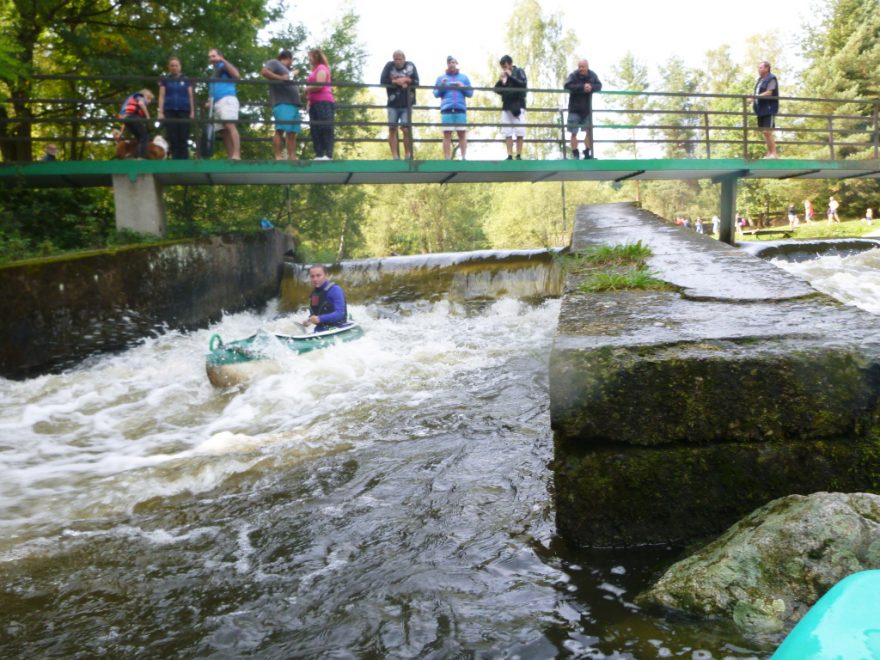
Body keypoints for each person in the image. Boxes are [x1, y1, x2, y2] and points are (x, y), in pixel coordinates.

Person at [261, 49, 302, 161]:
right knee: (280, 130)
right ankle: (278, 156)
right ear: (288, 58)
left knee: (292, 132)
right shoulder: (275, 63)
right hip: (282, 103)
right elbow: (264, 72)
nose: (292, 63)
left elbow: (288, 78)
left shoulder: (288, 70)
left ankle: (292, 156)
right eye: (291, 60)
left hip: (293, 104)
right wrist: (281, 78)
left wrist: (290, 74)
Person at [380, 50, 419, 160]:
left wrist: (406, 79)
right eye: (395, 59)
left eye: (400, 59)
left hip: (407, 103)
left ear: (404, 59)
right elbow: (382, 80)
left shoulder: (411, 66)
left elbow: (416, 81)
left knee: (406, 129)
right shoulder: (389, 66)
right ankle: (395, 156)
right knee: (392, 129)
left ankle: (407, 154)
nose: (397, 61)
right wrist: (395, 82)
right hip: (393, 103)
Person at [433, 56, 473, 160]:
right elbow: (436, 93)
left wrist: (462, 86)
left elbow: (470, 93)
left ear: (456, 64)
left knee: (462, 133)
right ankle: (447, 158)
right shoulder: (441, 78)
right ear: (447, 64)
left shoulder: (464, 77)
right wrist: (442, 85)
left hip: (460, 108)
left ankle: (464, 157)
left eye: (454, 62)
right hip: (447, 108)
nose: (452, 64)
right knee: (447, 134)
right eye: (450, 62)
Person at [564, 59, 602, 160]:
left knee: (589, 131)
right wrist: (582, 87)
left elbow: (599, 85)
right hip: (574, 109)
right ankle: (575, 153)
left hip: (586, 109)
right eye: (579, 66)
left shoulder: (593, 75)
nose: (581, 69)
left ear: (587, 67)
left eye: (583, 67)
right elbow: (567, 85)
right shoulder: (573, 75)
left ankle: (587, 152)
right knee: (573, 132)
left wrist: (591, 87)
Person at [158, 56, 194, 160]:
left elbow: (191, 96)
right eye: (172, 65)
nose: (174, 67)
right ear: (169, 67)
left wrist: (192, 111)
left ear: (180, 66)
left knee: (184, 135)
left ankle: (184, 160)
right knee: (172, 136)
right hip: (169, 110)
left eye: (176, 65)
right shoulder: (165, 80)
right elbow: (161, 96)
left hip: (184, 110)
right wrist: (160, 112)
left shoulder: (187, 80)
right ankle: (175, 159)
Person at [207, 48, 241, 160]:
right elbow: (212, 90)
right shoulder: (213, 73)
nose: (211, 58)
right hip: (216, 103)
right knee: (223, 131)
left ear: (220, 56)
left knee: (230, 126)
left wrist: (223, 60)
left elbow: (236, 75)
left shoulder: (224, 66)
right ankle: (231, 156)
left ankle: (237, 155)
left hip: (227, 99)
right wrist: (209, 101)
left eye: (213, 56)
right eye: (210, 57)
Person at [493, 54, 528, 160]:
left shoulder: (519, 71)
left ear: (510, 64)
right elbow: (496, 90)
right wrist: (502, 81)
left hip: (518, 105)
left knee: (520, 131)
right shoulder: (504, 76)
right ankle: (509, 155)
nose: (504, 68)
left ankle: (518, 155)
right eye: (502, 67)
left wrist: (511, 76)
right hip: (506, 106)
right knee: (507, 131)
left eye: (505, 66)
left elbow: (523, 84)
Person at [305, 48, 335, 160]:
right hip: (314, 103)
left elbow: (319, 85)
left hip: (324, 101)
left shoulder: (322, 68)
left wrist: (306, 88)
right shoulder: (314, 70)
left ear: (316, 56)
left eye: (310, 57)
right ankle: (319, 154)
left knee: (325, 127)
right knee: (315, 129)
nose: (309, 59)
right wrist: (308, 101)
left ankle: (328, 154)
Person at [303, 264, 348, 332]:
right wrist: (310, 320)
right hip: (321, 329)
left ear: (326, 275)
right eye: (312, 276)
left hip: (338, 328)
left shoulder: (335, 290)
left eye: (318, 275)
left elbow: (340, 313)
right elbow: (316, 313)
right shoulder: (315, 294)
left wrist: (320, 318)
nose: (315, 279)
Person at [751, 61, 779, 159]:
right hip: (760, 110)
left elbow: (769, 92)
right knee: (765, 132)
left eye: (761, 67)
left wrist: (754, 97)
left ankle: (774, 154)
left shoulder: (771, 78)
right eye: (758, 67)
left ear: (767, 68)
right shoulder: (760, 80)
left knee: (768, 131)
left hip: (769, 109)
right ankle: (769, 153)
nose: (759, 69)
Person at [117, 88, 154, 158]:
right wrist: (148, 116)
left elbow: (125, 121)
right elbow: (141, 103)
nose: (149, 101)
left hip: (127, 119)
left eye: (150, 100)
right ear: (144, 95)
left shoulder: (131, 104)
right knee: (144, 136)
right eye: (148, 98)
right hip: (132, 117)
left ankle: (136, 156)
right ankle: (141, 157)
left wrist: (120, 133)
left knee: (140, 138)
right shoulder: (140, 96)